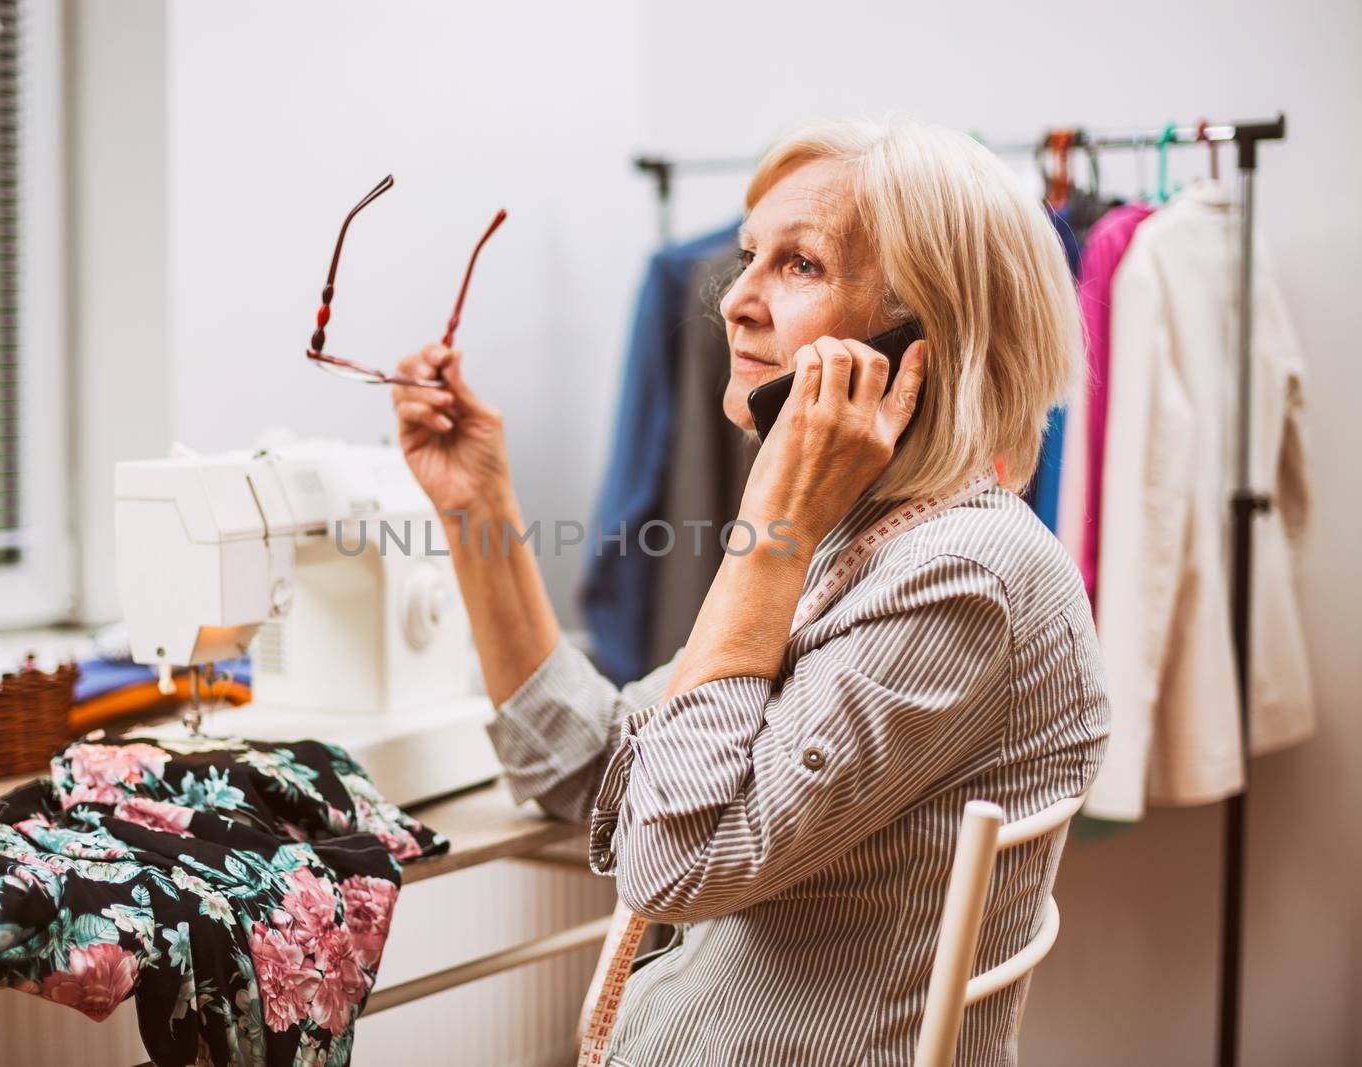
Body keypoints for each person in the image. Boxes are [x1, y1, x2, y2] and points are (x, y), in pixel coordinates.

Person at [388, 114, 1111, 1066]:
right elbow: (587, 761)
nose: (735, 300)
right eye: (746, 257)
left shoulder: (961, 576)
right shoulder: (859, 546)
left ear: (919, 339)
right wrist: (477, 508)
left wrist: (769, 537)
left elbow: (674, 863)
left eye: (800, 265)